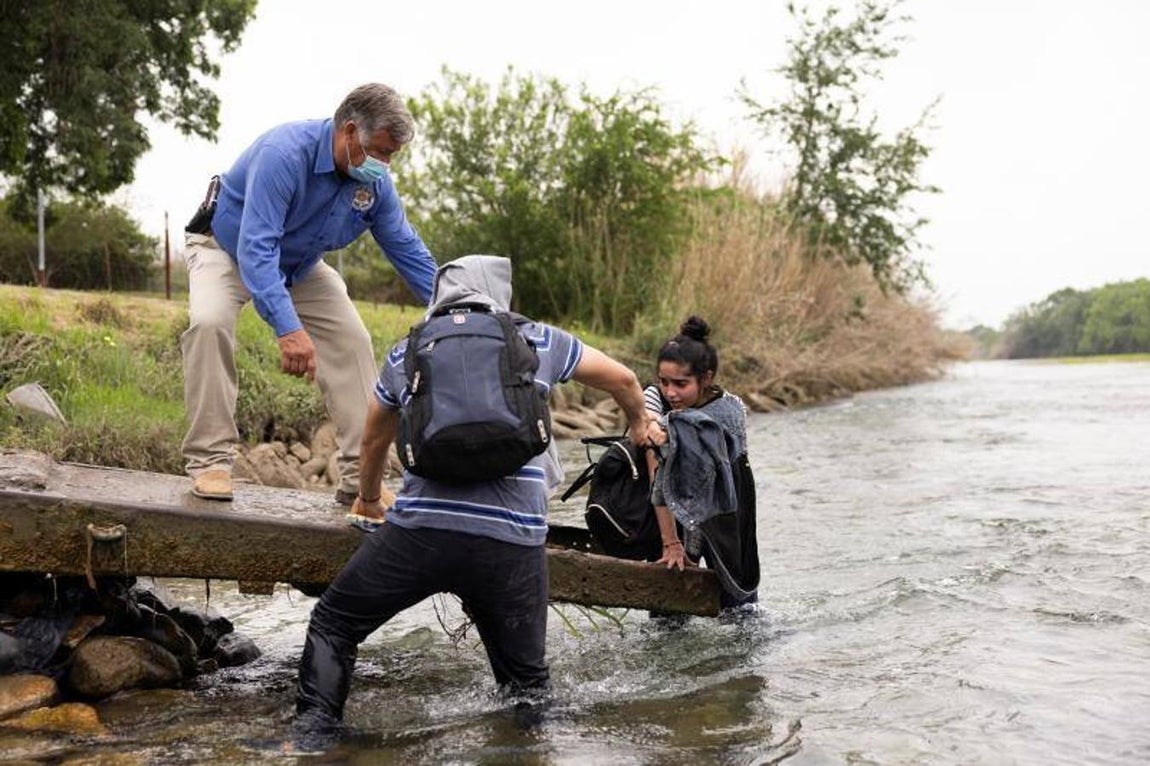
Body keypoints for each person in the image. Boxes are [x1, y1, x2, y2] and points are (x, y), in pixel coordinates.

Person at [294, 255, 655, 736]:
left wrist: (369, 498)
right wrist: (638, 422)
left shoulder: (410, 350)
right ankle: (529, 746)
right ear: (498, 291)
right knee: (526, 685)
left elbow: (374, 438)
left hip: (421, 535)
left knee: (334, 624)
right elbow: (625, 380)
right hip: (512, 544)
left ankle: (315, 737)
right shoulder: (535, 338)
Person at [181, 83, 437, 504]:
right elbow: (256, 247)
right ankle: (210, 462)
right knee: (209, 324)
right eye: (380, 151)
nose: (385, 164)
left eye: (392, 156)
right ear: (350, 131)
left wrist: (456, 304)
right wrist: (288, 328)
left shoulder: (374, 185)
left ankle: (362, 477)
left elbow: (406, 247)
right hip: (226, 249)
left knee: (353, 339)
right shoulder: (283, 155)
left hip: (298, 264)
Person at [642, 316, 760, 610]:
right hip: (675, 511)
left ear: (706, 379)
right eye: (664, 381)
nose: (670, 392)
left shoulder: (726, 411)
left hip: (725, 508)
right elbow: (658, 475)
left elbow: (727, 476)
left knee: (739, 604)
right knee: (670, 608)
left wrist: (667, 430)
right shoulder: (660, 401)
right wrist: (671, 543)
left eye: (681, 384)